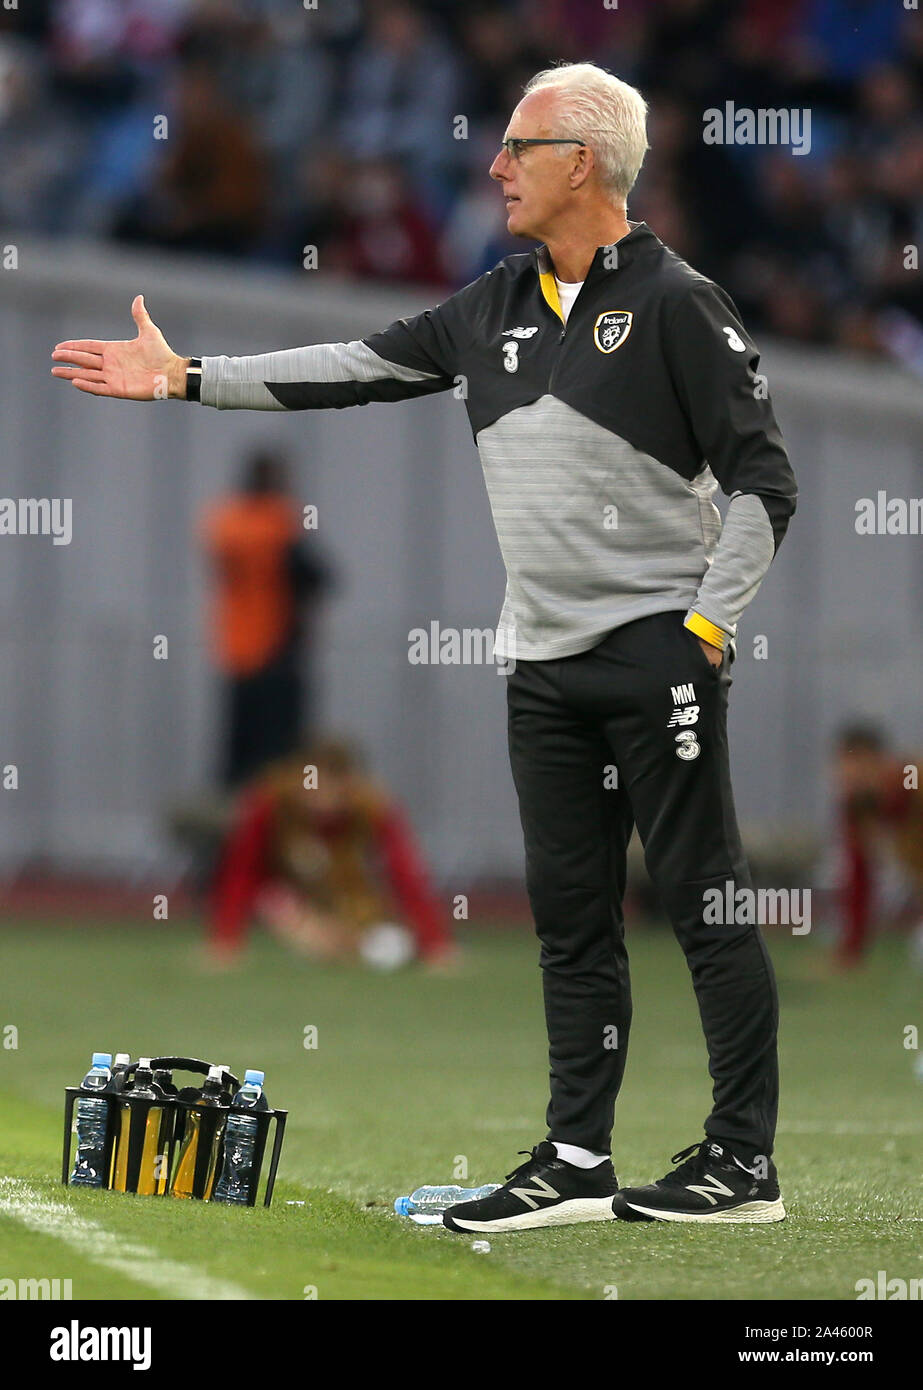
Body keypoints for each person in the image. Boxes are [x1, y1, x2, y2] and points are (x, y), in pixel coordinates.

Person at [52, 61, 797, 1231]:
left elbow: (764, 484)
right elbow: (345, 368)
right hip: (540, 662)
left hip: (658, 651)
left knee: (702, 901)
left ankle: (740, 1165)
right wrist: (187, 378)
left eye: (516, 146)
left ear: (581, 164)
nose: (493, 166)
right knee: (569, 920)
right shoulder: (489, 305)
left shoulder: (677, 304)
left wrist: (704, 626)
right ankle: (574, 1157)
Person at [207, 738, 456, 970]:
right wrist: (226, 941)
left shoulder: (373, 806)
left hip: (346, 892)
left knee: (375, 933)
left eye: (330, 788)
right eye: (313, 786)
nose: (320, 797)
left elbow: (406, 874)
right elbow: (242, 871)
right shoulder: (269, 802)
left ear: (349, 784)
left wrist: (435, 944)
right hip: (282, 891)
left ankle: (353, 942)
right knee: (281, 905)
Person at [200, 448, 330, 789]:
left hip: (238, 647)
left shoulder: (225, 521)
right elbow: (317, 576)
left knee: (240, 744)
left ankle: (235, 809)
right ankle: (275, 812)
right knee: (280, 747)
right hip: (276, 649)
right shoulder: (277, 522)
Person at [832, 723, 923, 968]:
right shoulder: (856, 808)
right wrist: (851, 951)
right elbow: (859, 878)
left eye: (856, 766)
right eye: (843, 766)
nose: (847, 776)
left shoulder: (912, 780)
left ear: (879, 761)